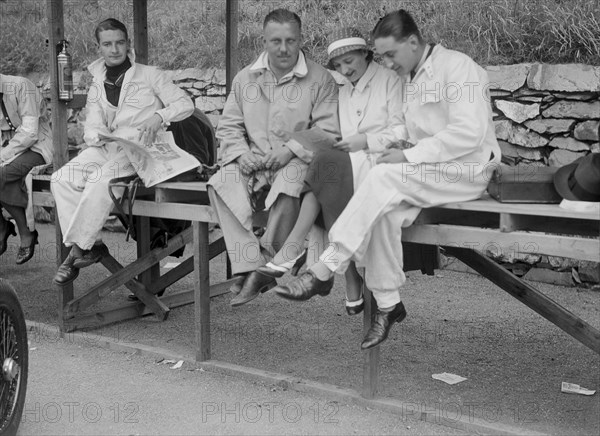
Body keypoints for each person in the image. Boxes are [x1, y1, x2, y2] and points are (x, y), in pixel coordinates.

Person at [274, 9, 502, 349]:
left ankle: (324, 268)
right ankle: (388, 304)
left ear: (412, 41)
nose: (388, 64)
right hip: (429, 171)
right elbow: (404, 130)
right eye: (382, 57)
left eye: (390, 55)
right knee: (383, 212)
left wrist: (408, 155)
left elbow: (468, 133)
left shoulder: (459, 67)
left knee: (381, 177)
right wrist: (380, 144)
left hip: (466, 170)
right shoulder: (410, 77)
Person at [257, 26, 407, 316]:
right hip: (350, 164)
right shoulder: (344, 90)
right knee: (322, 168)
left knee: (324, 170)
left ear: (365, 54)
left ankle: (294, 252)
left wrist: (367, 141)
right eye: (338, 65)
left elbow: (405, 129)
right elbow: (339, 132)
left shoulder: (390, 80)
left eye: (349, 61)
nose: (344, 69)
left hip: (385, 162)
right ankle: (344, 276)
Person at [207, 8, 340, 307]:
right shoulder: (245, 78)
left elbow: (330, 131)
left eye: (291, 41)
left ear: (301, 39)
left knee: (292, 183)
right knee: (221, 181)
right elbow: (228, 126)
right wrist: (241, 155)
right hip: (254, 163)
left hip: (295, 162)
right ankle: (249, 264)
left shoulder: (321, 79)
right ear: (263, 41)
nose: (283, 49)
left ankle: (267, 263)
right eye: (276, 41)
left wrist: (291, 149)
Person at [51, 18, 195, 285]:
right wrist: (96, 135)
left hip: (141, 149)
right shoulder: (97, 83)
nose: (114, 49)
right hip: (108, 147)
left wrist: (159, 116)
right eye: (107, 44)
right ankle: (92, 244)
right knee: (60, 179)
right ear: (99, 48)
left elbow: (184, 103)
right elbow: (92, 125)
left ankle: (78, 251)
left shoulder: (150, 74)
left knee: (99, 182)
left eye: (119, 42)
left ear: (127, 43)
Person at [0, 74, 53, 264]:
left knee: (3, 175)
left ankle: (25, 232)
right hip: (9, 147)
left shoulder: (22, 87)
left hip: (37, 146)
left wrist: (3, 155)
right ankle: (3, 226)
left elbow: (30, 133)